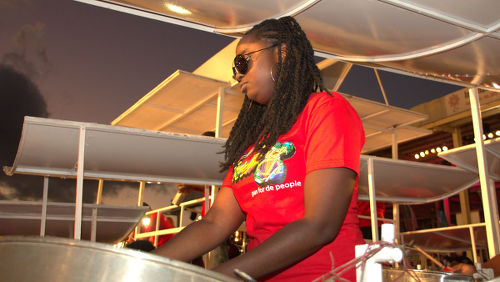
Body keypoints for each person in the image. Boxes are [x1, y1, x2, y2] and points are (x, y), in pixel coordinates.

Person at [154, 16, 365, 281]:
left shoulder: (325, 110)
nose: (237, 74)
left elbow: (319, 226)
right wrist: (144, 265)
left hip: (327, 275)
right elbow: (214, 223)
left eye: (243, 61)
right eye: (234, 68)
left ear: (282, 53)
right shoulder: (253, 142)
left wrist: (216, 278)